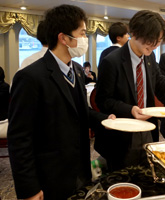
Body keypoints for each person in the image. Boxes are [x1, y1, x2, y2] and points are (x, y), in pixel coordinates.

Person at [8, 4, 114, 200]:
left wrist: (105, 119)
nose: (85, 39)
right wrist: (29, 187)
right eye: (82, 33)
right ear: (64, 38)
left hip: (79, 167)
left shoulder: (78, 70)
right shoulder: (31, 77)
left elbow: (78, 111)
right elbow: (19, 138)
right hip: (49, 174)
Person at [95, 10, 165, 171]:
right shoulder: (111, 61)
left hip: (148, 128)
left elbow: (159, 83)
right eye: (151, 40)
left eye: (158, 41)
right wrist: (130, 109)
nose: (154, 45)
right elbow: (103, 100)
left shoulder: (149, 56)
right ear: (134, 33)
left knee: (147, 173)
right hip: (122, 133)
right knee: (124, 178)